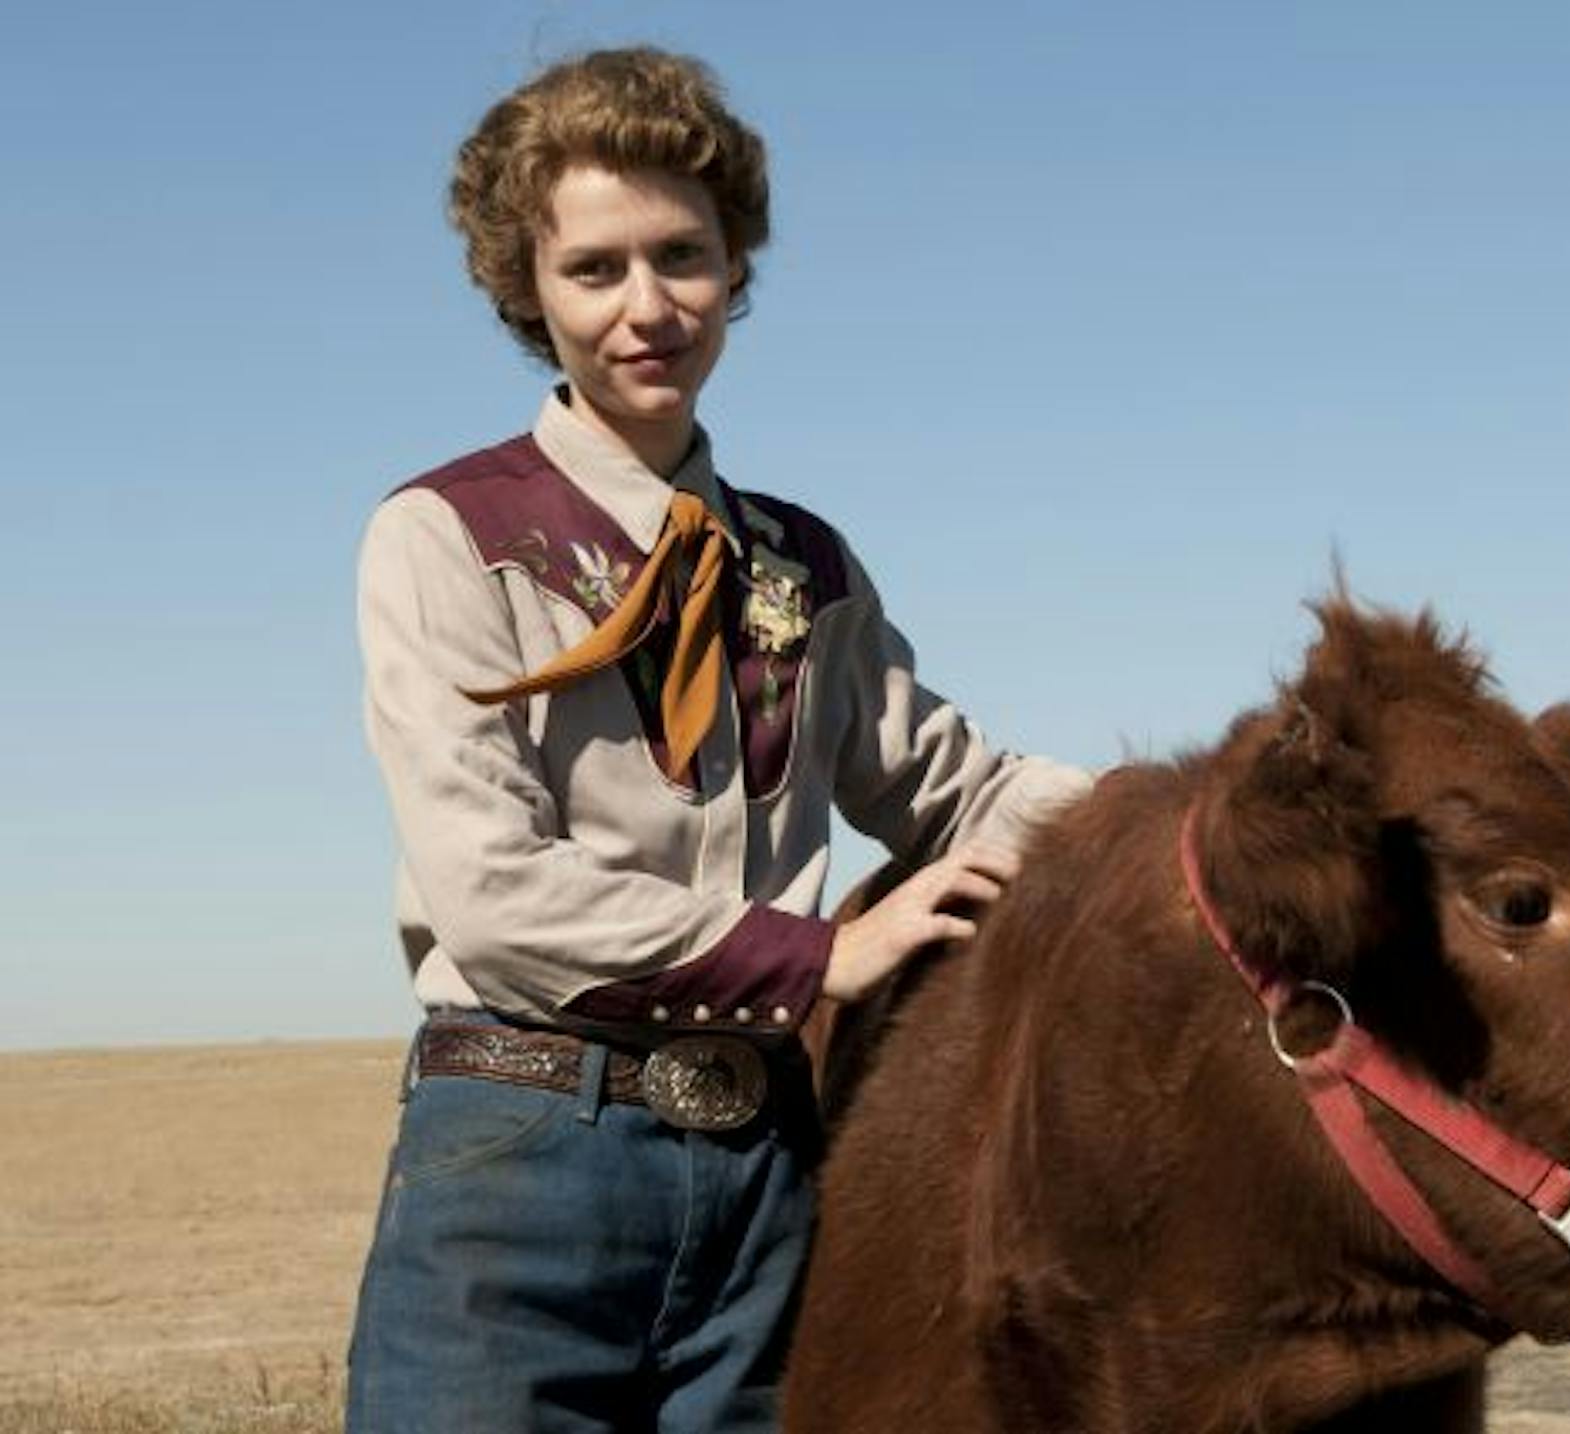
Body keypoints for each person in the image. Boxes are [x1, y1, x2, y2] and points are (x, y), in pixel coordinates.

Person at [346, 47, 1088, 1433]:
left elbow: (956, 784)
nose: (647, 308)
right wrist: (821, 953)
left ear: (734, 266)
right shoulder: (445, 537)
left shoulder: (800, 565)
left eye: (682, 255)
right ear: (527, 287)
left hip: (770, 1172)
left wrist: (1199, 816)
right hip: (522, 1152)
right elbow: (495, 895)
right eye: (595, 269)